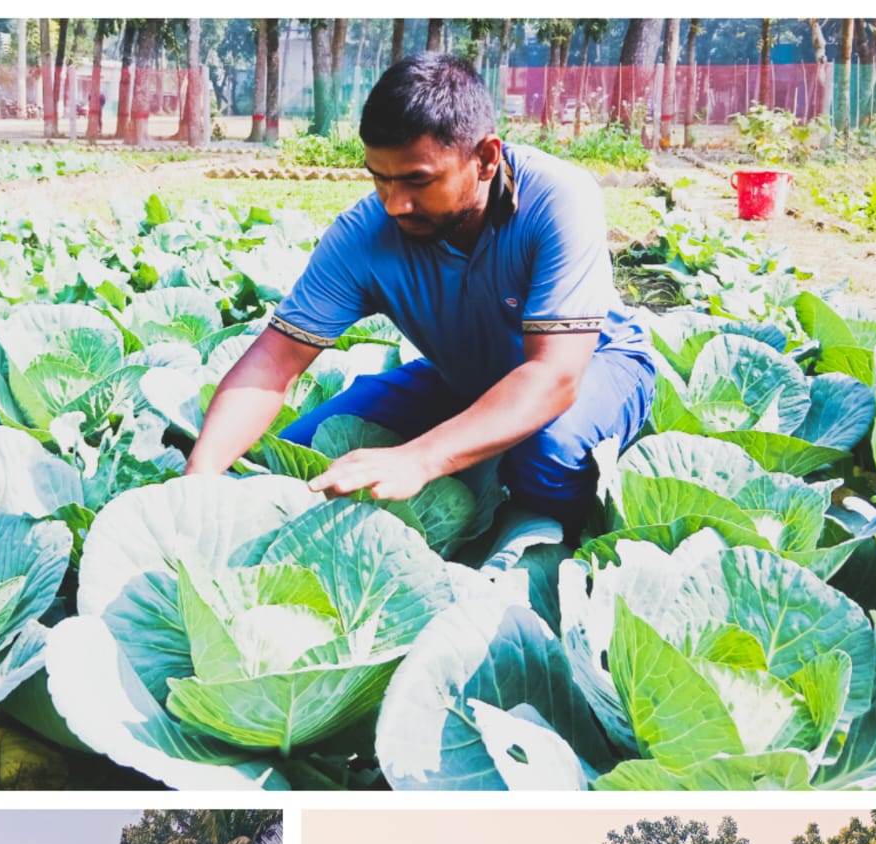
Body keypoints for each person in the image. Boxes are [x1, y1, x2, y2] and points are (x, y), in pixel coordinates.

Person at [185, 53, 656, 537]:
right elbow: (275, 362)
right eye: (379, 177)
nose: (395, 204)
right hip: (465, 377)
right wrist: (196, 480)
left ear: (486, 158)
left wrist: (421, 457)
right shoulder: (363, 234)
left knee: (546, 451)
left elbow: (555, 377)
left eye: (417, 180)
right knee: (304, 453)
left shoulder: (557, 199)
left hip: (599, 363)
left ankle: (567, 541)